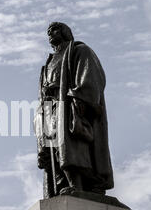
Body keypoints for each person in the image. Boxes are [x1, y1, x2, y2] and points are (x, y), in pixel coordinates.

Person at [34, 22, 114, 198]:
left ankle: (77, 185)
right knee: (53, 150)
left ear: (65, 32)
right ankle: (63, 184)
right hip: (50, 109)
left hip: (68, 103)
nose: (50, 33)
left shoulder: (79, 50)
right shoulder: (48, 62)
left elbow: (91, 76)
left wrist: (79, 97)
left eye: (54, 29)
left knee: (70, 146)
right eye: (48, 31)